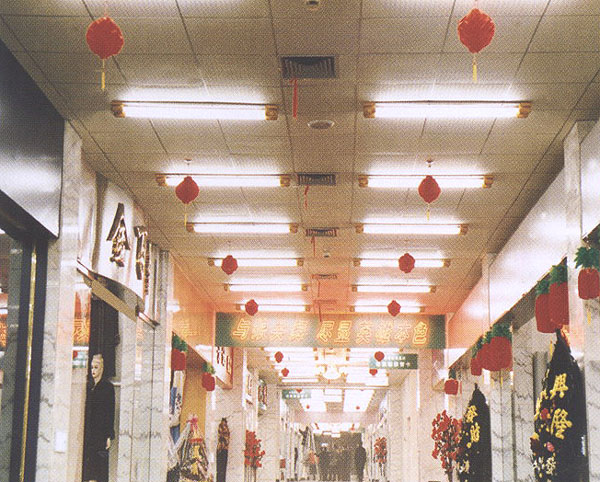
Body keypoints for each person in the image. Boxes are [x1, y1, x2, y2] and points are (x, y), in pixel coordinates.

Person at [82, 354, 115, 482]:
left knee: (98, 467)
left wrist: (108, 435)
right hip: (89, 432)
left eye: (96, 367)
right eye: (91, 367)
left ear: (101, 368)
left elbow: (110, 411)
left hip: (100, 433)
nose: (93, 370)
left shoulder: (107, 387)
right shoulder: (89, 386)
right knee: (89, 466)